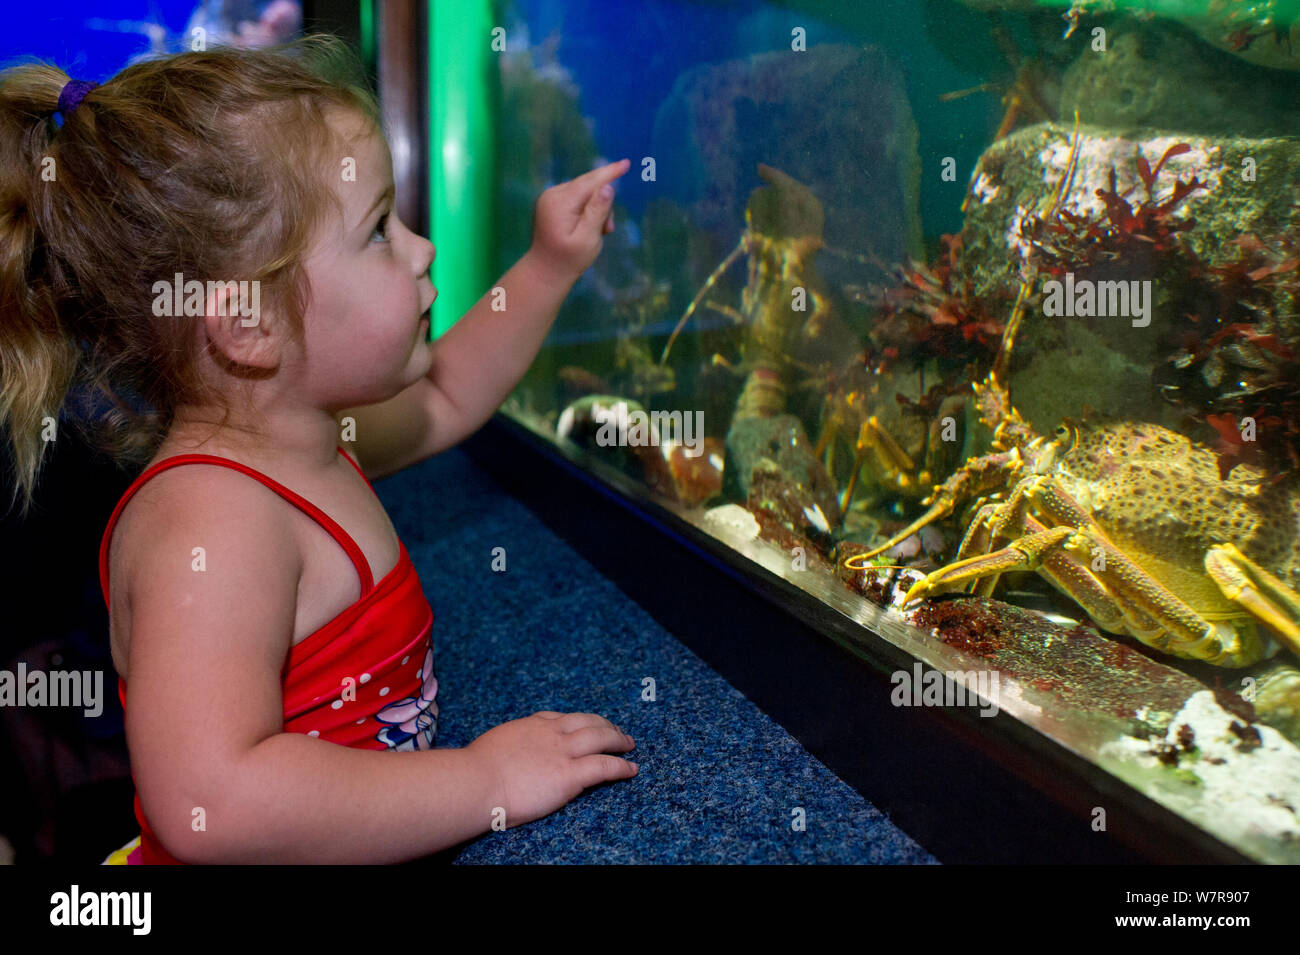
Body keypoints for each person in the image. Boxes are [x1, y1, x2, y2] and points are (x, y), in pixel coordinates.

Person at [0, 35, 636, 864]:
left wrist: (548, 266)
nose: (422, 248)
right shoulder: (211, 526)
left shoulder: (302, 437)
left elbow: (446, 396)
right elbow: (212, 802)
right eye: (379, 229)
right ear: (247, 326)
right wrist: (483, 782)